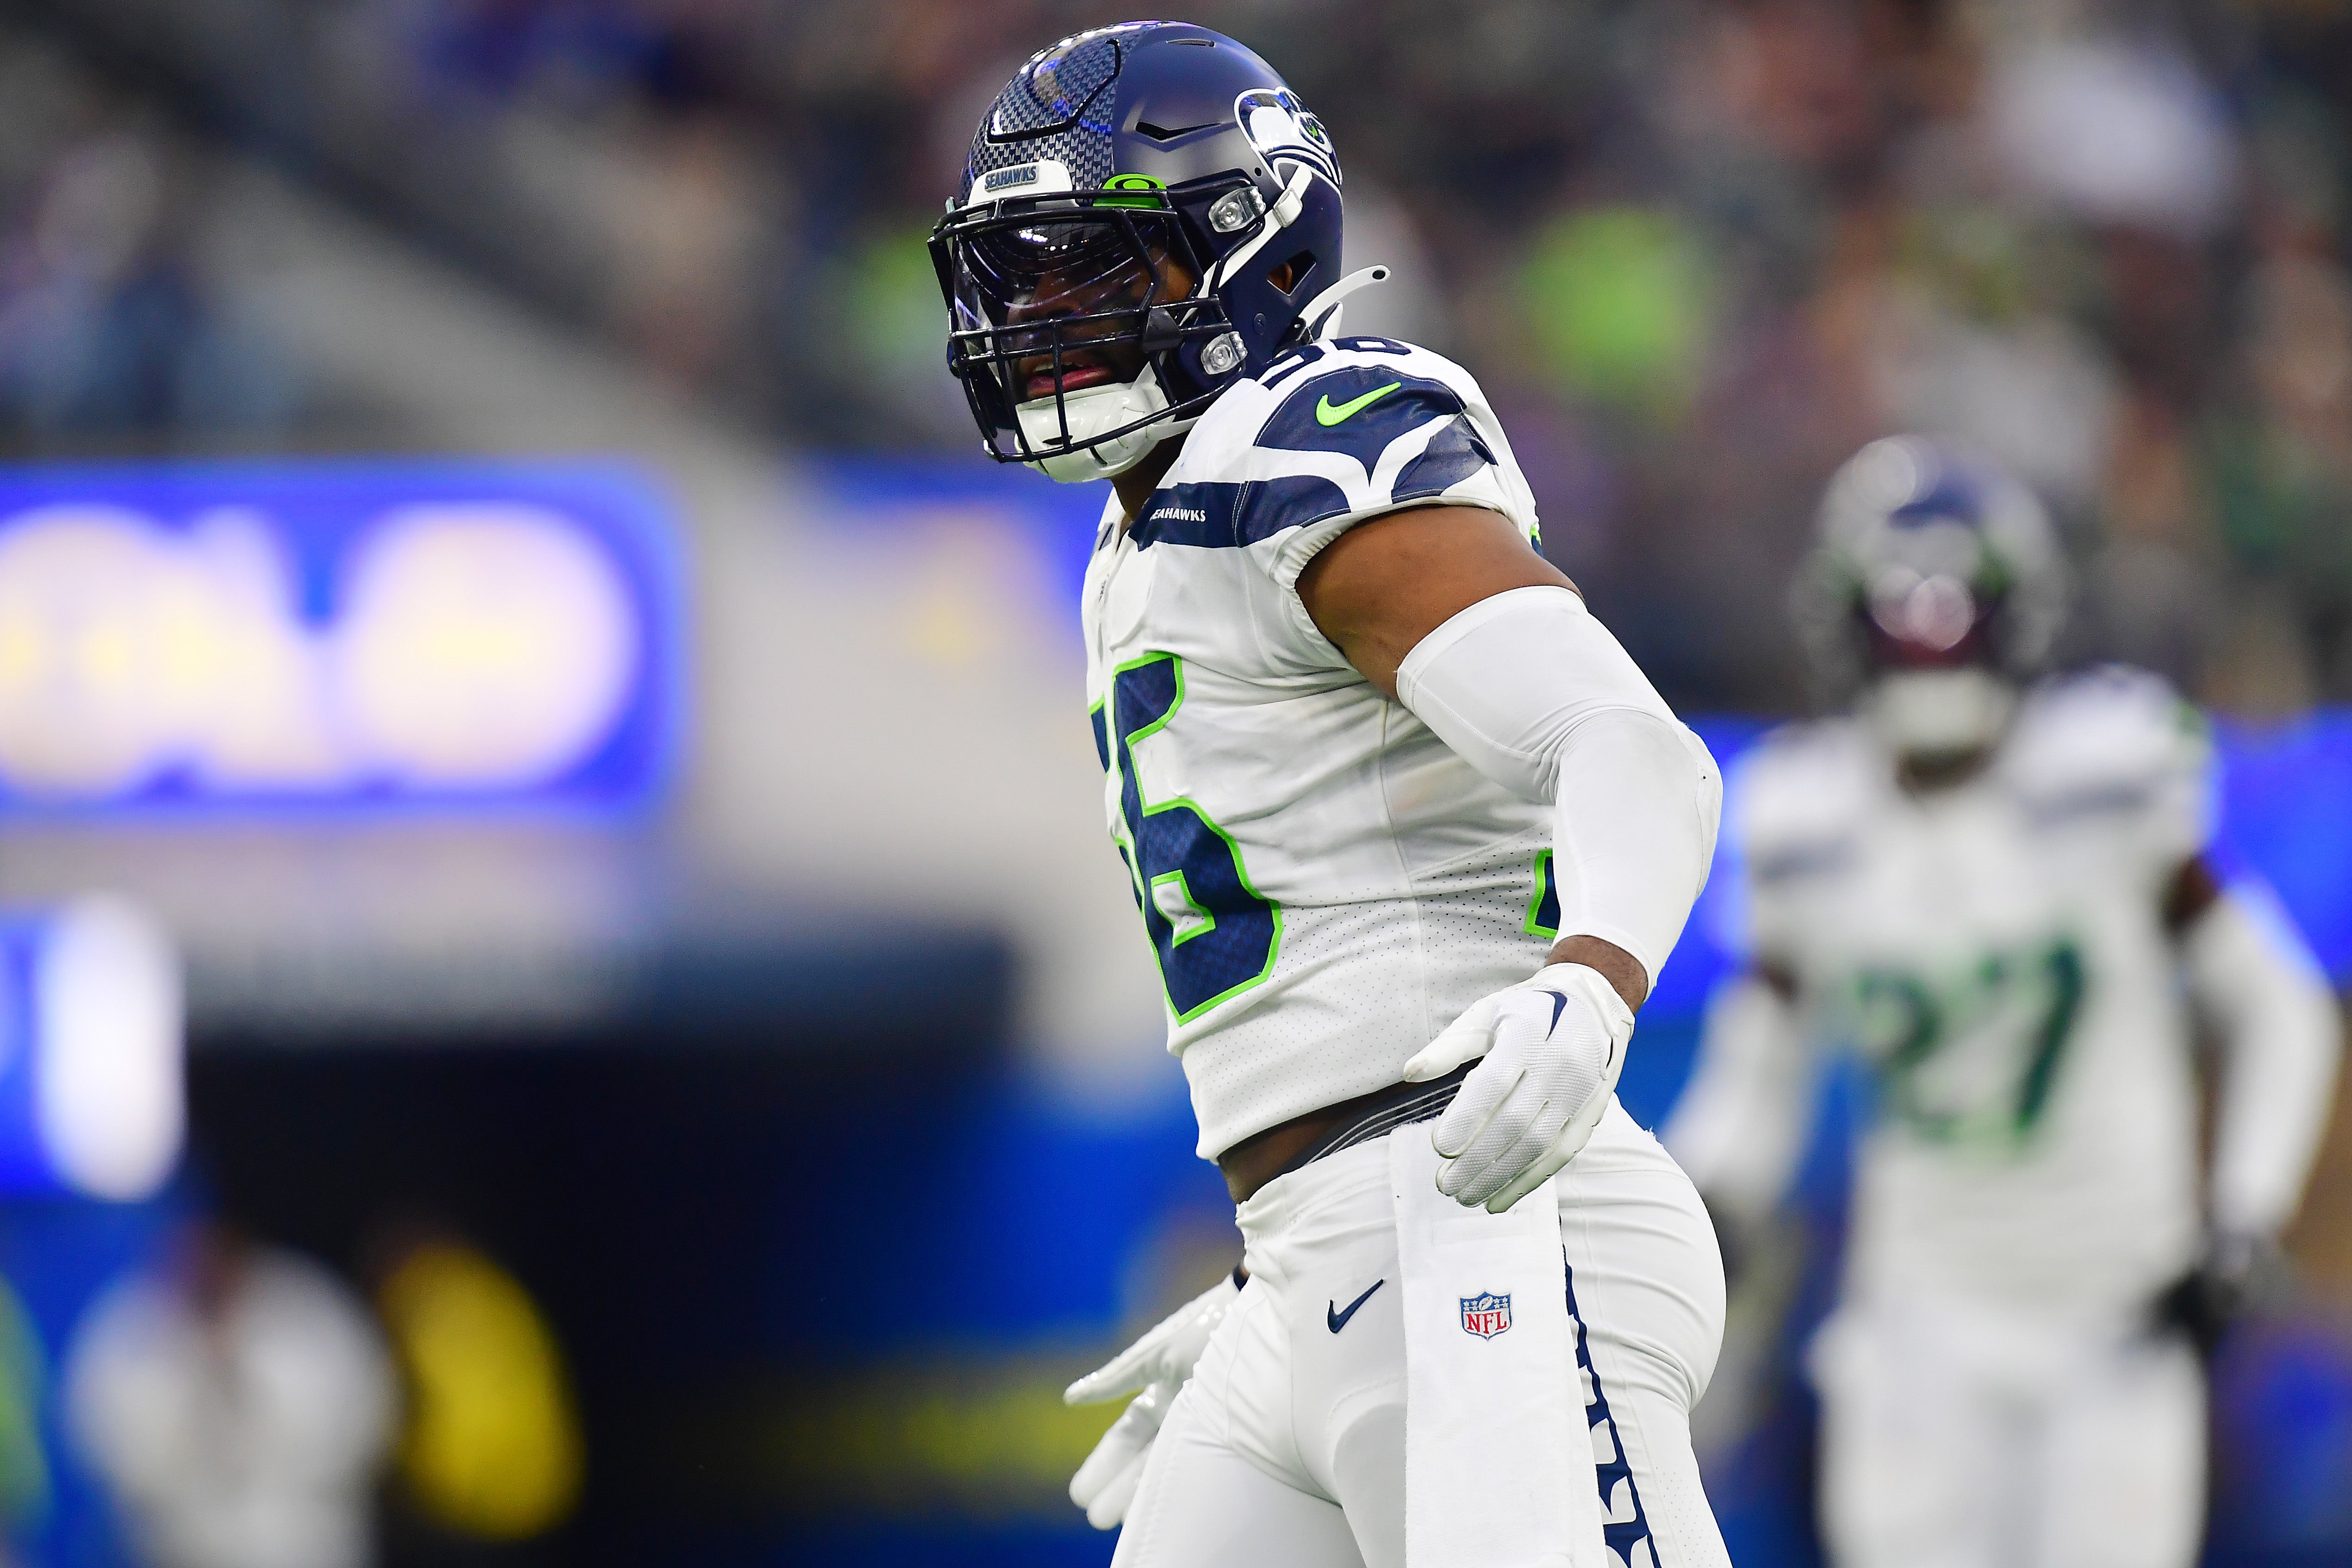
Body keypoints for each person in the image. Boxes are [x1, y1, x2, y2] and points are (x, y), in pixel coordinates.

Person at [932, 23, 1729, 1568]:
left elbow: (1631, 748)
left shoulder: (1300, 439)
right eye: (1018, 273)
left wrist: (1593, 978)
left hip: (1480, 1211)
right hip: (1318, 1257)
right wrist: (1278, 1268)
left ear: (1249, 247)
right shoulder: (1139, 532)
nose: (1041, 316)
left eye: (1094, 264)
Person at [1663, 435, 2343, 1568]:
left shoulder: (2107, 778)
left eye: (1954, 609)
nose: (1929, 639)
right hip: (1918, 1329)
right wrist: (1710, 1208)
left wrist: (2244, 1217)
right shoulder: (1808, 822)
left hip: (2115, 1319)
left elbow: (2278, 1008)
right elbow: (1758, 1079)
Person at [64, 1218, 395, 1568]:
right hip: (182, 1544)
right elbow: (101, 1433)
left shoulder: (307, 1310)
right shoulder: (134, 1325)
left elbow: (365, 1410)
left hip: (305, 1541)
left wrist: (256, 1396)